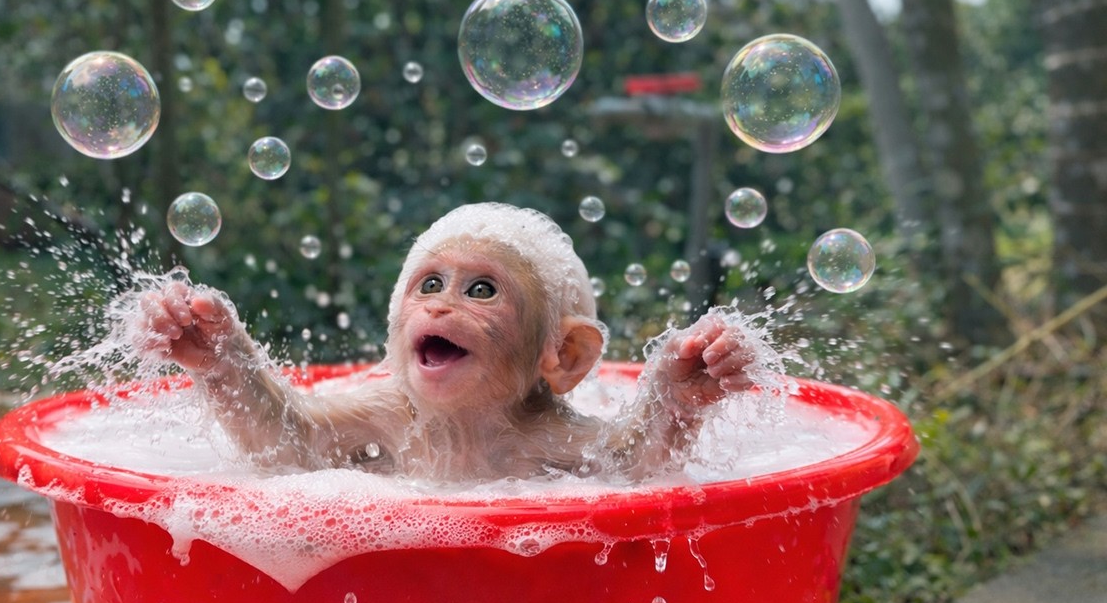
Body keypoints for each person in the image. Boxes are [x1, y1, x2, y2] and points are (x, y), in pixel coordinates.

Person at [137, 202, 753, 482]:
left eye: (482, 289)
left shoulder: (549, 435)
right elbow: (286, 441)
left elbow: (638, 467)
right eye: (429, 283)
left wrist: (675, 399)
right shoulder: (388, 409)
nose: (439, 304)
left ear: (562, 355)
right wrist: (224, 361)